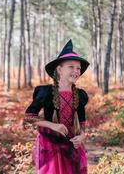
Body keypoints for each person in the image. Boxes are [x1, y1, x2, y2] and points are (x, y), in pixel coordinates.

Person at [24, 39, 89, 174]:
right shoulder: (45, 92)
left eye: (78, 68)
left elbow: (82, 124)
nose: (76, 71)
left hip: (71, 142)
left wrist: (82, 137)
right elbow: (29, 117)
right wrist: (53, 125)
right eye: (71, 67)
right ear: (59, 69)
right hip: (50, 144)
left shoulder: (80, 95)